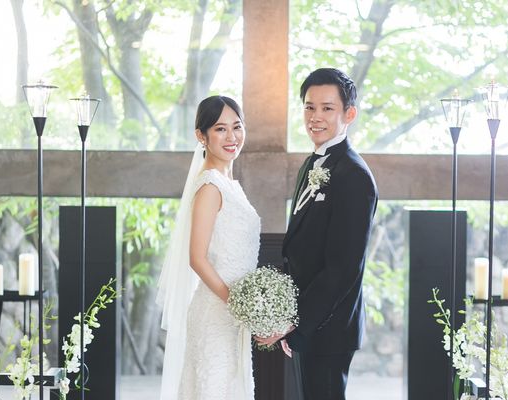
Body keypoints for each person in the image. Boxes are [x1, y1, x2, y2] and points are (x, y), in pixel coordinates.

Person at [257, 68, 378, 400]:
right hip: (309, 324)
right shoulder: (311, 165)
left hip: (329, 326)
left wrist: (299, 322)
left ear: (349, 114)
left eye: (327, 108)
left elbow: (343, 268)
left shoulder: (354, 175)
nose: (315, 117)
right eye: (309, 107)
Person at [156, 95, 260, 400]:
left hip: (234, 315)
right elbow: (197, 259)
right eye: (220, 129)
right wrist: (239, 305)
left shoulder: (230, 185)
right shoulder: (210, 187)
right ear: (201, 136)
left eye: (237, 127)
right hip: (216, 312)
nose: (232, 137)